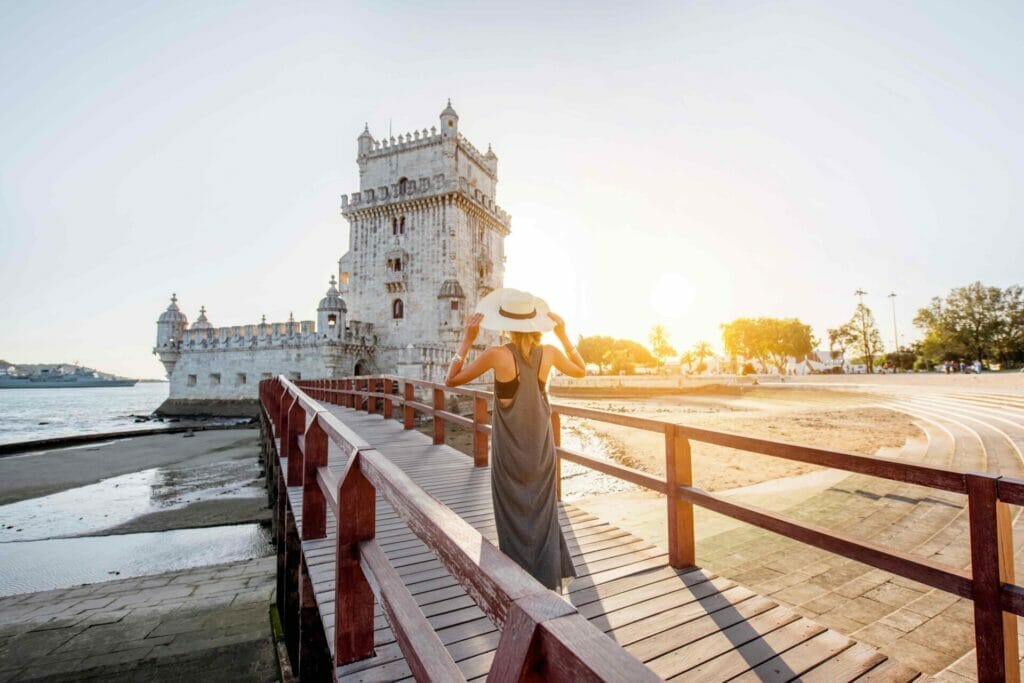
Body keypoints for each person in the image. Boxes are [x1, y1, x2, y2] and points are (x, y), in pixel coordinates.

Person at [444, 288, 586, 592]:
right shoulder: (549, 352)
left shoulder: (497, 355)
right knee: (543, 512)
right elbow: (581, 371)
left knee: (511, 512)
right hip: (541, 448)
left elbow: (451, 380)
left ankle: (519, 582)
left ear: (505, 324)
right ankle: (547, 578)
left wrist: (466, 341)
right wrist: (563, 335)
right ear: (534, 324)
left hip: (509, 451)